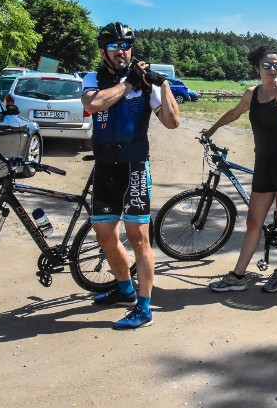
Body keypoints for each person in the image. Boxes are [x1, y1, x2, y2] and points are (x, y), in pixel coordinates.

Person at [81, 22, 180, 329]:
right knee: (105, 235)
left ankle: (145, 306)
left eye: (126, 46)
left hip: (135, 166)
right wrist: (127, 84)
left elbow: (172, 121)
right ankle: (124, 289)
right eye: (114, 47)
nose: (121, 52)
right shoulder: (93, 78)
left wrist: (161, 83)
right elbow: (93, 104)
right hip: (105, 167)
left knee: (139, 238)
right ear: (103, 52)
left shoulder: (146, 85)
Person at [204, 45, 277, 293]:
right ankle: (238, 276)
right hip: (264, 164)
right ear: (257, 68)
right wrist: (212, 129)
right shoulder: (252, 93)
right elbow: (234, 113)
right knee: (253, 222)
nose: (272, 69)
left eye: (276, 65)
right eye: (267, 65)